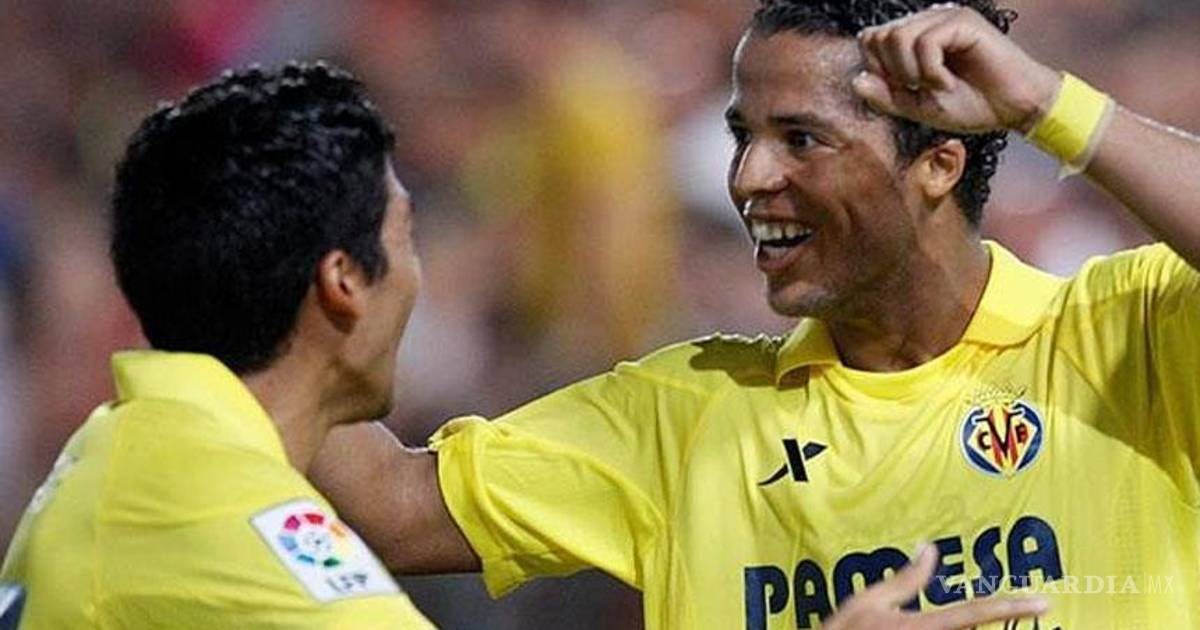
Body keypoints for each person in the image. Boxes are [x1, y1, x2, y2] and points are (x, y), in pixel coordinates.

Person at [313, 0, 1200, 628]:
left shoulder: (1127, 334)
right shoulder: (684, 415)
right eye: (744, 135)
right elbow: (389, 505)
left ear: (937, 163)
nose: (748, 177)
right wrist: (281, 253)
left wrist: (1049, 105)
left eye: (800, 139)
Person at [1, 62, 434, 628]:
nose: (415, 275)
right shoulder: (250, 549)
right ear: (343, 281)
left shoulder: (117, 453)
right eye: (405, 237)